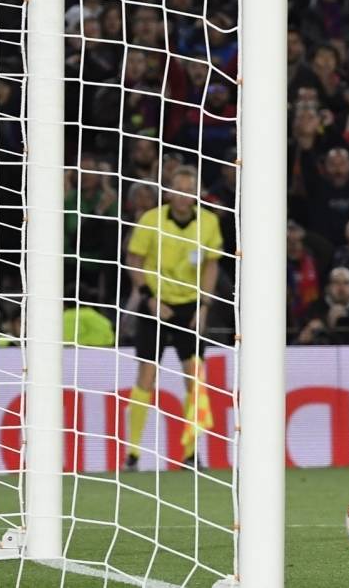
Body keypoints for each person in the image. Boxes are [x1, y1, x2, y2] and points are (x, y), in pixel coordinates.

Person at [124, 167, 223, 472]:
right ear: (168, 192)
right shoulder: (151, 219)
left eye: (187, 189)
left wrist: (204, 305)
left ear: (195, 192)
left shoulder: (208, 222)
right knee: (146, 374)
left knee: (195, 376)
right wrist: (148, 297)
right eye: (177, 189)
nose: (182, 195)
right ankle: (133, 454)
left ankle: (191, 454)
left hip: (189, 307)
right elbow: (134, 259)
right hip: (156, 303)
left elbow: (210, 265)